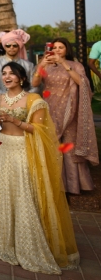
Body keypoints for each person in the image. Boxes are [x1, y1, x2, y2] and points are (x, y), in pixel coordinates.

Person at [0, 63, 79, 274]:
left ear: (22, 77)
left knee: (24, 193)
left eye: (11, 73)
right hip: (3, 149)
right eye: (4, 74)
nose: (7, 77)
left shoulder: (34, 100)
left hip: (23, 150)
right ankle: (5, 238)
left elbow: (39, 130)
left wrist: (15, 120)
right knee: (4, 193)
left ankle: (29, 242)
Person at [31, 37, 98, 194]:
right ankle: (54, 184)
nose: (57, 50)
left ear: (67, 49)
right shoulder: (46, 65)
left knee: (68, 146)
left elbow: (82, 83)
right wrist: (41, 64)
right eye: (55, 47)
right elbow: (35, 83)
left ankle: (74, 186)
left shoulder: (75, 65)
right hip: (49, 108)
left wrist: (63, 63)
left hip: (70, 110)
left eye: (61, 47)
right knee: (52, 145)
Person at [0, 29, 38, 93]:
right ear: (4, 47)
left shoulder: (29, 65)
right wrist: (7, 97)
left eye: (14, 45)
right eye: (8, 45)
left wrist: (24, 97)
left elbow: (35, 87)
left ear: (19, 46)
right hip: (2, 100)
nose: (11, 47)